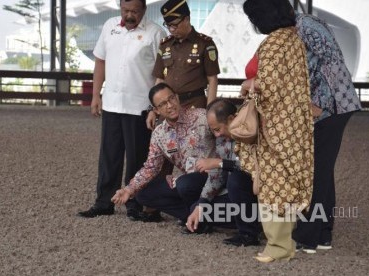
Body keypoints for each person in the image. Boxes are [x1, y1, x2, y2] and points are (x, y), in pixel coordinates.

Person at [238, 0, 314, 262]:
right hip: (292, 124)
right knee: (287, 182)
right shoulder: (293, 39)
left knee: (273, 185)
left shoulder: (274, 43)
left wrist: (248, 84)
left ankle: (278, 247)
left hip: (274, 127)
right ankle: (286, 244)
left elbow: (266, 87)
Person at [78, 0, 166, 221]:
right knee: (109, 156)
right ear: (120, 7)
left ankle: (135, 203)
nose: (129, 15)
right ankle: (103, 202)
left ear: (144, 10)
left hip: (140, 107)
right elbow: (100, 61)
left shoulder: (156, 32)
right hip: (111, 103)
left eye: (134, 11)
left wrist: (156, 107)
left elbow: (161, 72)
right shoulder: (109, 26)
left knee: (138, 158)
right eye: (125, 10)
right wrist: (95, 95)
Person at [292, 12, 362, 253]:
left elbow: (333, 60)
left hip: (332, 106)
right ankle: (322, 234)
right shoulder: (297, 27)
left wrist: (320, 103)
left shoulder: (306, 25)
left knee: (316, 172)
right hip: (327, 105)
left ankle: (307, 236)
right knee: (322, 169)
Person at [112, 82, 222, 233]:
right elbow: (151, 167)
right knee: (143, 195)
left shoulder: (202, 116)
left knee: (184, 183)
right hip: (190, 182)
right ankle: (193, 215)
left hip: (214, 177)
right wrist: (129, 190)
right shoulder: (159, 134)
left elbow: (226, 141)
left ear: (177, 97)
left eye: (171, 99)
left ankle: (200, 222)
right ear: (156, 110)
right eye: (163, 104)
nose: (169, 105)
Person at [183, 98, 261, 245]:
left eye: (218, 129)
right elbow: (216, 175)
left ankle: (248, 234)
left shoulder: (252, 131)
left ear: (232, 119)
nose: (217, 135)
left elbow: (254, 168)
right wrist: (202, 203)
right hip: (236, 199)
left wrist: (220, 163)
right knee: (198, 209)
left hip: (259, 196)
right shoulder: (222, 140)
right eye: (213, 131)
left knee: (236, 179)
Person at [148, 0, 220, 130]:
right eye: (168, 25)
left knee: (195, 147)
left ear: (187, 19)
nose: (171, 30)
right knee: (168, 148)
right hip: (168, 108)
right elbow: (159, 79)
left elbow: (212, 79)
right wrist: (153, 109)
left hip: (195, 105)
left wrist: (210, 111)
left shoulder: (205, 44)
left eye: (174, 25)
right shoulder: (165, 45)